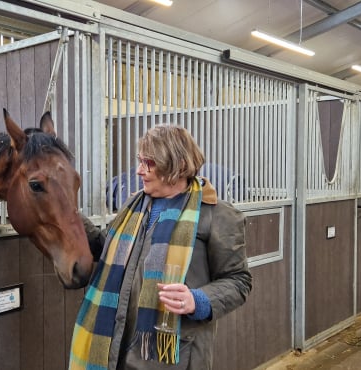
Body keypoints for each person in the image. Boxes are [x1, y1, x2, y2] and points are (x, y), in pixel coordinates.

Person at [70, 124, 252, 370]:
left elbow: (238, 281)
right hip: (120, 350)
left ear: (176, 166)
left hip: (174, 356)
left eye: (149, 163)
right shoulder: (134, 208)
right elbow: (106, 245)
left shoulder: (216, 215)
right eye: (139, 161)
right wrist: (67, 211)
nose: (138, 170)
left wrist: (198, 300)